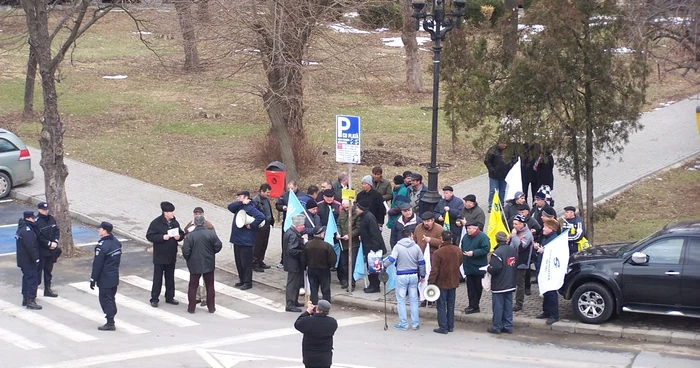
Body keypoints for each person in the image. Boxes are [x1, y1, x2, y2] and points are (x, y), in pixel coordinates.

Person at [383, 230, 426, 331]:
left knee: (401, 300)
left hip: (401, 276)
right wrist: (422, 275)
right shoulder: (416, 247)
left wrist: (383, 265)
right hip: (414, 275)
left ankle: (404, 324)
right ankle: (415, 324)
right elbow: (422, 262)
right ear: (410, 236)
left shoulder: (398, 247)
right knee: (414, 300)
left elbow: (392, 259)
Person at [146, 201, 184, 308]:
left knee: (170, 277)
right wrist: (162, 237)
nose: (173, 213)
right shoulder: (156, 223)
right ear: (165, 212)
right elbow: (150, 236)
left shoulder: (174, 223)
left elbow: (181, 233)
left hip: (171, 254)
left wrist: (179, 237)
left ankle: (170, 296)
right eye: (171, 212)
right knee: (157, 278)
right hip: (160, 255)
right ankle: (154, 298)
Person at [182, 215, 223, 314]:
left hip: (194, 264)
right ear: (204, 223)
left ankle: (191, 308)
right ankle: (211, 307)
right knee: (209, 286)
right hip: (208, 263)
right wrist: (212, 253)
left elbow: (185, 251)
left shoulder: (190, 236)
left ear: (195, 223)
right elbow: (218, 245)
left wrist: (189, 259)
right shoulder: (210, 234)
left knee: (193, 286)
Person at [228, 191, 265, 290]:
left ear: (246, 197)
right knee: (239, 262)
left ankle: (248, 282)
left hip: (246, 240)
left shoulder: (251, 208)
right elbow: (230, 207)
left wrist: (251, 225)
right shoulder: (239, 206)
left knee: (246, 263)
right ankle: (242, 279)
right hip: (237, 240)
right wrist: (241, 203)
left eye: (239, 197)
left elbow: (261, 217)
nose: (237, 198)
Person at [90, 222, 122, 331]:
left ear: (105, 231)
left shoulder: (102, 246)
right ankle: (111, 317)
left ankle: (110, 322)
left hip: (105, 277)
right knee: (111, 298)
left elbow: (97, 264)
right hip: (114, 276)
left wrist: (93, 278)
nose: (98, 230)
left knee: (105, 299)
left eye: (100, 229)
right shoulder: (116, 243)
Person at [429, 231, 463, 334]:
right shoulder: (458, 250)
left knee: (441, 305)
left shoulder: (438, 253)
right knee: (451, 304)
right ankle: (450, 326)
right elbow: (460, 262)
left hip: (441, 282)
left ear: (442, 240)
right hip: (454, 281)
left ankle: (443, 327)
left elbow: (435, 270)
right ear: (451, 240)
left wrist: (430, 282)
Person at [487, 231, 517, 334]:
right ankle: (508, 326)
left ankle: (497, 327)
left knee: (498, 307)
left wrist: (488, 269)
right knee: (508, 306)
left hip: (499, 284)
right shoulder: (513, 250)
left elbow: (495, 268)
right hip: (510, 282)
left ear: (496, 239)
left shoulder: (497, 253)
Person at [294, 300, 338, 368]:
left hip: (310, 357)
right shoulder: (332, 322)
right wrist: (315, 314)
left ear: (317, 308)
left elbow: (297, 324)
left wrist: (308, 312)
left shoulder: (307, 321)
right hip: (325, 358)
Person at [534, 218, 561, 325]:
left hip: (550, 270)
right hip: (543, 268)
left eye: (545, 227)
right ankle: (546, 311)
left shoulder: (554, 240)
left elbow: (553, 254)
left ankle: (554, 315)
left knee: (551, 293)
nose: (543, 229)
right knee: (545, 291)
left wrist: (542, 251)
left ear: (551, 229)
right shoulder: (546, 238)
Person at [356, 201, 386, 293]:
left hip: (372, 248)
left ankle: (375, 286)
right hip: (369, 246)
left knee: (373, 268)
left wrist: (374, 249)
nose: (356, 210)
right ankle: (372, 284)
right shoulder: (365, 216)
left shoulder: (369, 217)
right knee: (370, 268)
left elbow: (375, 234)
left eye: (357, 208)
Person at [460, 221, 490, 314]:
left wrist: (474, 253)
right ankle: (472, 305)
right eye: (467, 228)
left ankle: (475, 305)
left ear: (475, 228)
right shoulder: (465, 237)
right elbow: (462, 247)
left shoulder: (483, 237)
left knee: (477, 287)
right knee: (470, 287)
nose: (468, 230)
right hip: (468, 266)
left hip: (478, 267)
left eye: (469, 228)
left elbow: (486, 249)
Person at [302, 226, 336, 305]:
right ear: (321, 234)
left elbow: (303, 258)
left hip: (311, 269)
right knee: (325, 288)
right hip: (324, 270)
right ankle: (325, 305)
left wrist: (306, 265)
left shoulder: (307, 245)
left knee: (313, 289)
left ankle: (314, 305)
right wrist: (330, 266)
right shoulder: (327, 246)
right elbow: (333, 259)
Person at [16, 210, 42, 310]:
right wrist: (36, 259)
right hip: (28, 260)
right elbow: (31, 247)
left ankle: (26, 298)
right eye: (32, 218)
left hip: (23, 260)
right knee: (32, 279)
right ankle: (30, 300)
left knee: (27, 278)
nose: (34, 219)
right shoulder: (27, 230)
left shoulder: (22, 228)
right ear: (28, 218)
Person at [509, 214, 534, 312]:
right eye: (513, 224)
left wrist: (514, 237)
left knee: (520, 283)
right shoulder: (516, 232)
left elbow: (520, 247)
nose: (514, 226)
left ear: (521, 224)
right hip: (513, 261)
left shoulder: (527, 234)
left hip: (522, 262)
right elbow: (512, 246)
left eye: (516, 224)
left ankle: (519, 303)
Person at [35, 201, 59, 298]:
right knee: (38, 272)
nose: (46, 211)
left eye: (47, 209)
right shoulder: (37, 222)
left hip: (51, 250)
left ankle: (47, 289)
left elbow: (56, 231)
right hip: (42, 251)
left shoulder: (51, 219)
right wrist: (49, 244)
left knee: (48, 270)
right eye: (44, 210)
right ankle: (33, 292)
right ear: (39, 210)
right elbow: (38, 237)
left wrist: (55, 242)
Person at [284, 214, 307, 312]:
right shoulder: (293, 235)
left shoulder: (291, 232)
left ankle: (294, 301)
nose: (304, 227)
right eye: (302, 225)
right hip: (293, 263)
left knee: (296, 283)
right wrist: (303, 252)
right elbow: (292, 250)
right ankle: (290, 304)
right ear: (298, 226)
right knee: (292, 284)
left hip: (293, 263)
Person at [336, 200, 360, 290]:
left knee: (352, 264)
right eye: (344, 207)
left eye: (347, 207)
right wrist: (338, 233)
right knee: (344, 264)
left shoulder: (356, 214)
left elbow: (358, 228)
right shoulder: (342, 213)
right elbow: (338, 224)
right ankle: (345, 280)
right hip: (343, 243)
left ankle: (352, 283)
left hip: (353, 243)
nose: (346, 209)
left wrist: (349, 235)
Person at [276, 181, 301, 267]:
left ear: (296, 187)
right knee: (285, 241)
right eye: (289, 188)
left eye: (292, 188)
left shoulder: (302, 195)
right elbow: (278, 204)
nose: (290, 190)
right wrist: (282, 207)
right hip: (287, 222)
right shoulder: (284, 195)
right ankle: (283, 260)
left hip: (298, 223)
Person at [484, 138, 513, 211]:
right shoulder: (492, 150)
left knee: (502, 191)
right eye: (502, 143)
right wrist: (492, 169)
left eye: (505, 143)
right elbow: (487, 161)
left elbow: (513, 160)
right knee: (493, 191)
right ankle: (491, 205)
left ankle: (501, 205)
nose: (504, 145)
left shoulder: (509, 151)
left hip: (504, 175)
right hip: (494, 175)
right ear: (499, 143)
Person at [252, 184, 275, 272]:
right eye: (267, 192)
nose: (268, 194)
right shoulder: (255, 201)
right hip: (259, 226)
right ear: (261, 191)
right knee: (258, 244)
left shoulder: (266, 200)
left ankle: (261, 260)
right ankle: (255, 262)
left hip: (267, 224)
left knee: (264, 244)